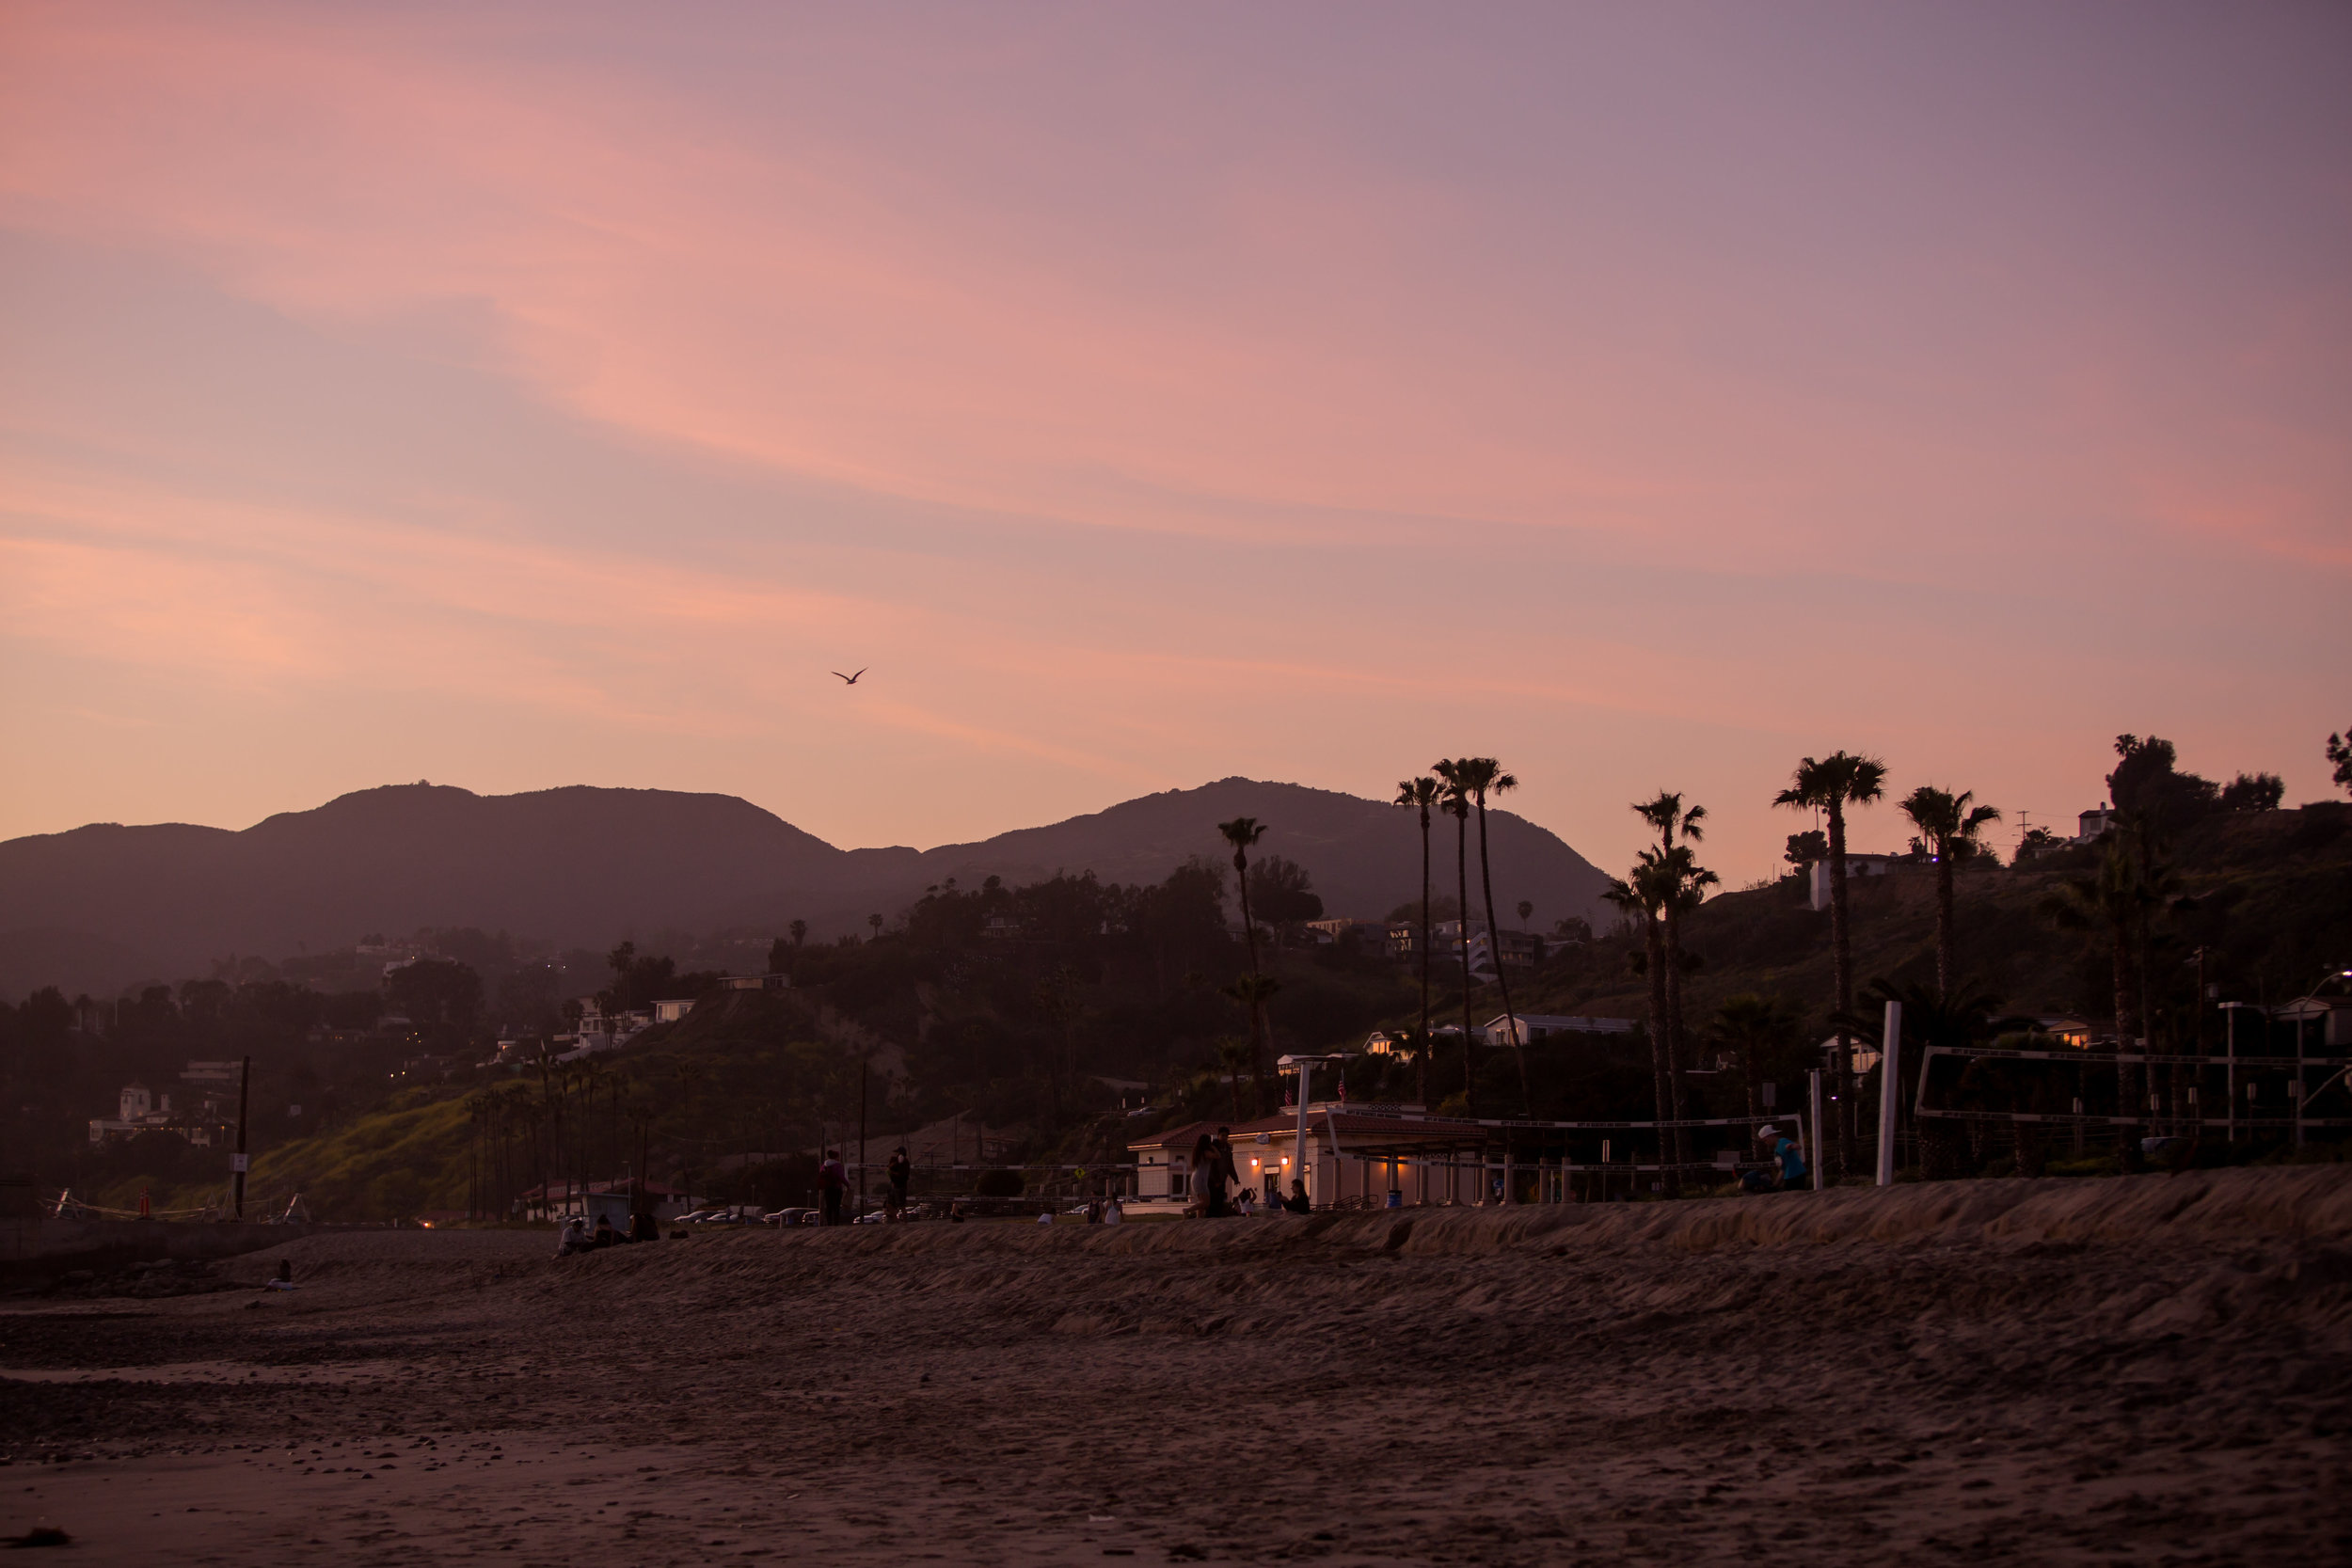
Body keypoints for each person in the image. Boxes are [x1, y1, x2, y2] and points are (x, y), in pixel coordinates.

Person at [1754, 1125, 1807, 1191]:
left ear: (1771, 1136)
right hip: (1791, 1177)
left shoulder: (1782, 1142)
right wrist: (1775, 1185)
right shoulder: (1777, 1149)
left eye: (1765, 1140)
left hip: (1796, 1176)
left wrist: (1791, 1146)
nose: (1766, 1143)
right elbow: (1783, 1169)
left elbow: (1797, 1146)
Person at [818, 1148, 847, 1227]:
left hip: (827, 1188)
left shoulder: (824, 1166)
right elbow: (841, 1177)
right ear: (835, 1157)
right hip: (836, 1188)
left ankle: (829, 1223)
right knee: (836, 1207)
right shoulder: (837, 1165)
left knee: (829, 1206)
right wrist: (847, 1185)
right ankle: (836, 1223)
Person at [885, 1146, 913, 1222]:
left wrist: (892, 1172)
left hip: (900, 1186)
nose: (896, 1154)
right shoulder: (896, 1161)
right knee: (890, 1204)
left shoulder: (904, 1163)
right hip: (895, 1185)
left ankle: (905, 1222)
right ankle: (896, 1221)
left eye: (897, 1152)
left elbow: (901, 1174)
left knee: (901, 1205)